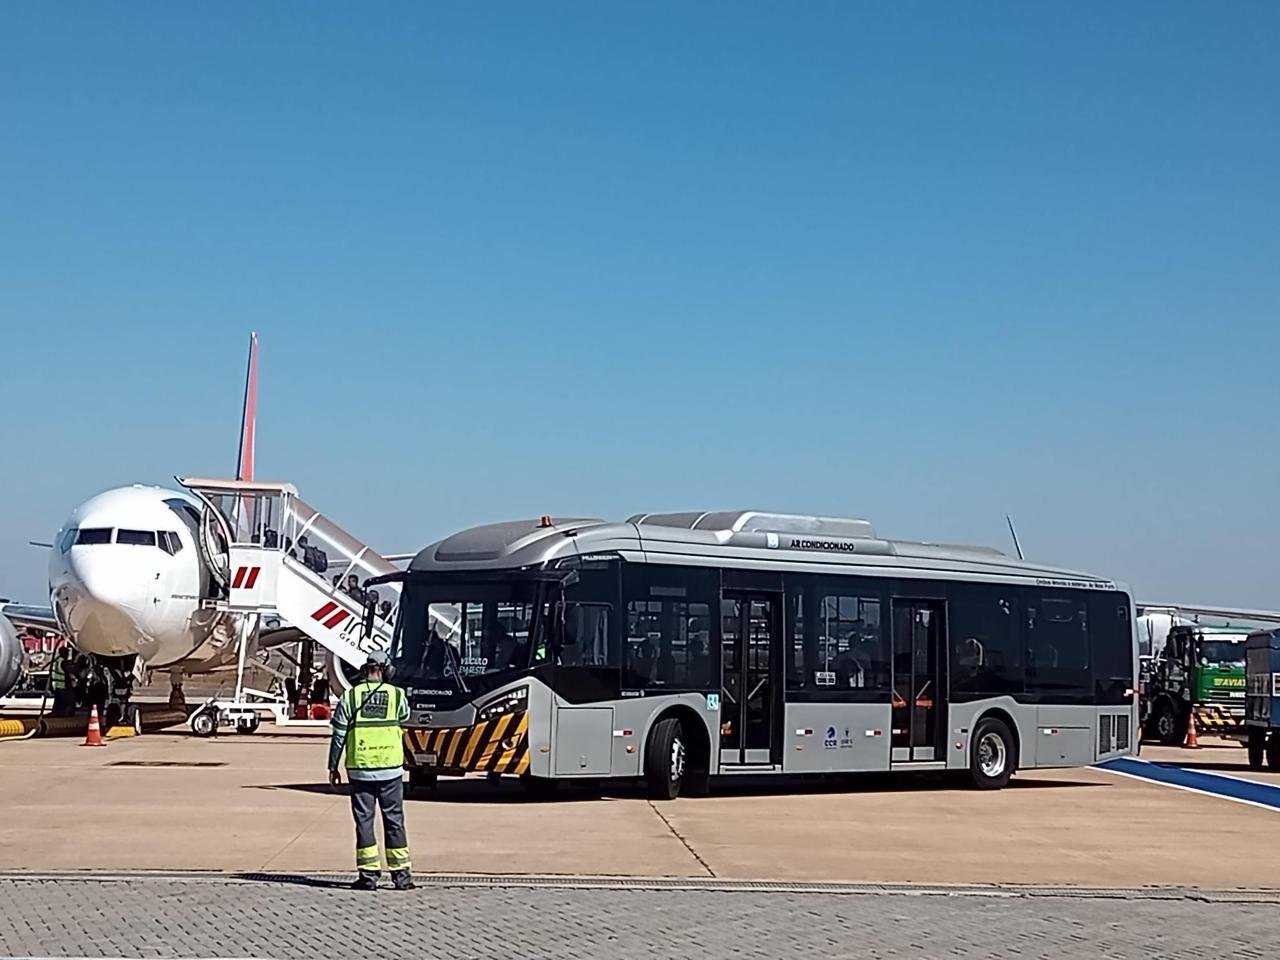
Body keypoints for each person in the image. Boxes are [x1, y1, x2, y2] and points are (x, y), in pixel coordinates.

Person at [328, 651, 413, 891]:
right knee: (394, 820)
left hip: (361, 769)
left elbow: (338, 736)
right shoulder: (397, 695)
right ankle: (401, 876)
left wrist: (332, 765)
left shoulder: (351, 697)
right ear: (386, 669)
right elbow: (405, 716)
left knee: (364, 821)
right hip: (390, 768)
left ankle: (368, 875)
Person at [50, 647, 74, 716]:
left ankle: (56, 713)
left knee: (58, 702)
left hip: (57, 684)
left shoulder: (57, 660)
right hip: (63, 685)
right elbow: (71, 670)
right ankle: (65, 714)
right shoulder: (63, 662)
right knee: (68, 701)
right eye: (66, 653)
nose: (67, 654)